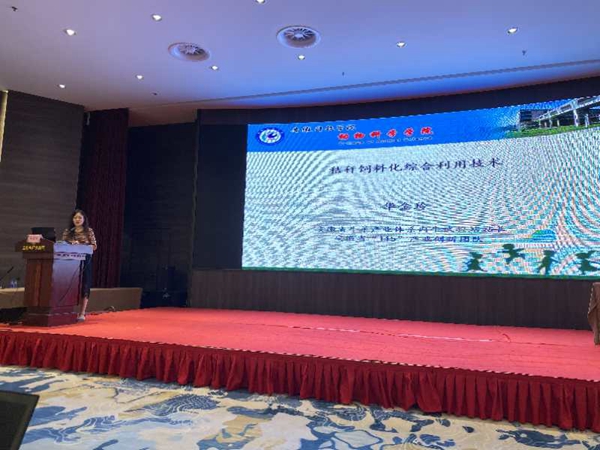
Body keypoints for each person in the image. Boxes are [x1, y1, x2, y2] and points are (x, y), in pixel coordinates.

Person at [62, 209, 97, 322]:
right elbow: (62, 245)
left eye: (79, 218)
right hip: (70, 261)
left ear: (84, 219)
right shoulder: (68, 231)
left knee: (85, 284)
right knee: (68, 284)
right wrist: (70, 244)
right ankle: (66, 311)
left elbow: (94, 246)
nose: (77, 220)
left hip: (85, 260)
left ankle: (82, 312)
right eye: (75, 218)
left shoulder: (89, 231)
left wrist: (81, 244)